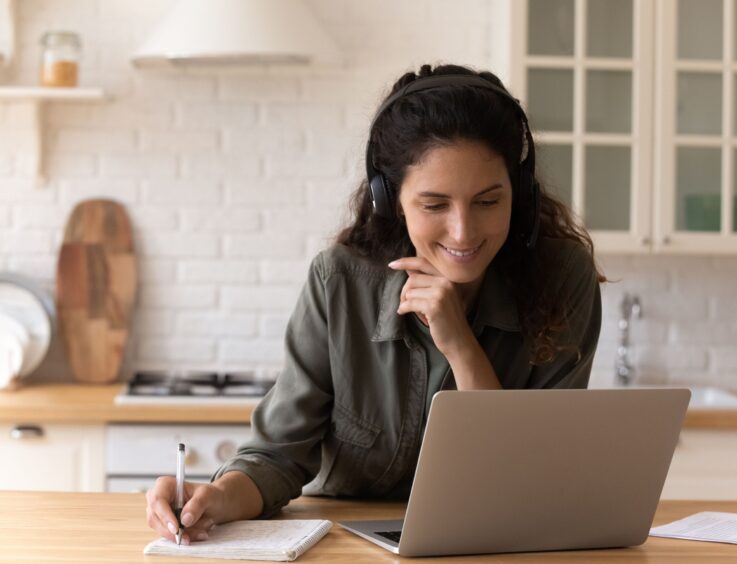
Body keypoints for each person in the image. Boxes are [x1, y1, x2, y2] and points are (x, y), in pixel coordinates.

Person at [145, 63, 605, 544]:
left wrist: (461, 346)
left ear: (521, 192)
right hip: (344, 545)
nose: (463, 232)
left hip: (493, 545)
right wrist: (214, 499)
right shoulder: (339, 281)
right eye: (434, 206)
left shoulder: (562, 278)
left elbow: (529, 483)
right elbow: (278, 456)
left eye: (489, 202)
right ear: (391, 200)